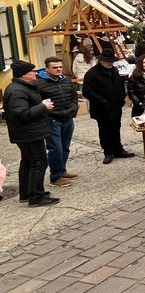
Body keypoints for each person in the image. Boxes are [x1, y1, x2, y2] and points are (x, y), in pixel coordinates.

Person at [4, 61, 60, 206]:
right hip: (28, 134)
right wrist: (43, 106)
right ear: (24, 74)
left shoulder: (22, 87)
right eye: (33, 71)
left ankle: (27, 193)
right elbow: (22, 113)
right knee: (38, 163)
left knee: (28, 162)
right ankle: (36, 197)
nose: (36, 73)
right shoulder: (17, 91)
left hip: (27, 132)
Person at [83, 50, 135, 164]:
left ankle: (118, 150)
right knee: (105, 130)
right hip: (102, 108)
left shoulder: (114, 70)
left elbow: (120, 86)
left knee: (116, 128)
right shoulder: (92, 74)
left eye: (111, 61)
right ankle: (108, 152)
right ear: (100, 60)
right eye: (107, 61)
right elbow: (86, 92)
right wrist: (103, 101)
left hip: (116, 106)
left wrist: (122, 99)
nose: (110, 63)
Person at [35, 57, 80, 188]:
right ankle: (55, 177)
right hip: (52, 120)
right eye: (55, 67)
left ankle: (62, 171)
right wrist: (55, 115)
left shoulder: (66, 79)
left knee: (65, 147)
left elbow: (74, 97)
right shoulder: (39, 83)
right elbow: (40, 104)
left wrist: (71, 111)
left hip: (68, 119)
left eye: (60, 67)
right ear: (47, 69)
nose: (58, 69)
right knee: (56, 149)